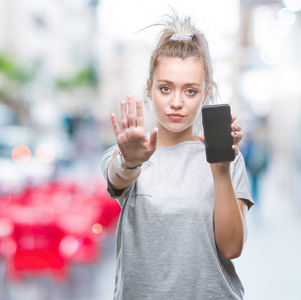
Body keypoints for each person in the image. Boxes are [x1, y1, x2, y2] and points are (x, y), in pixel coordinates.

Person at [101, 12, 254, 300]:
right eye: (165, 88)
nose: (176, 102)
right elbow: (117, 177)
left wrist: (220, 168)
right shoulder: (126, 154)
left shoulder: (229, 160)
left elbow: (232, 248)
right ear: (150, 88)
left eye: (191, 90)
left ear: (206, 92)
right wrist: (131, 161)